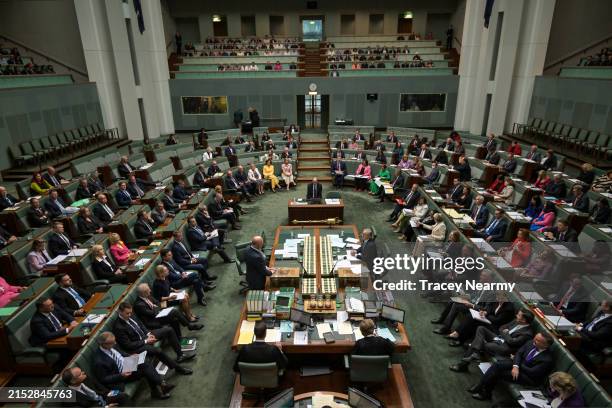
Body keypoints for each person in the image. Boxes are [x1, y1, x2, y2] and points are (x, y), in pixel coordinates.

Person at [469, 333, 554, 401]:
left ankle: (486, 394)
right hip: (520, 365)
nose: (534, 341)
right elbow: (519, 353)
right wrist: (516, 366)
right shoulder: (531, 342)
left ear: (545, 345)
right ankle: (480, 385)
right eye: (535, 338)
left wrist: (517, 365)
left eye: (537, 340)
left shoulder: (547, 359)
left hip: (529, 377)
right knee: (497, 365)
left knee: (499, 373)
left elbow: (532, 372)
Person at [113, 302, 194, 371]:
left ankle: (180, 355)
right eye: (127, 313)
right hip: (138, 346)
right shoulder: (118, 327)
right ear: (120, 312)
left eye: (130, 312)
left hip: (146, 336)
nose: (130, 315)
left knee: (168, 330)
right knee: (158, 351)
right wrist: (146, 341)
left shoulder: (131, 315)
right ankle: (177, 368)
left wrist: (148, 334)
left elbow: (141, 325)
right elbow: (128, 345)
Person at [93, 332, 173, 400]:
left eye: (114, 341)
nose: (115, 343)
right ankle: (161, 386)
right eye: (112, 343)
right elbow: (104, 379)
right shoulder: (99, 361)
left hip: (127, 364)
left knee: (145, 364)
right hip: (121, 376)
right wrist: (121, 375)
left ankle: (160, 388)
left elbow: (121, 354)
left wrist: (130, 356)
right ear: (104, 344)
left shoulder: (111, 345)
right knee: (145, 368)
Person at [450, 309, 534, 372]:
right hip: (499, 338)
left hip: (505, 348)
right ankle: (475, 353)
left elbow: (511, 342)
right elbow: (502, 327)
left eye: (519, 315)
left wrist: (506, 333)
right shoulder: (517, 321)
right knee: (481, 328)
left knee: (482, 344)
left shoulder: (527, 333)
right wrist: (505, 334)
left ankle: (463, 365)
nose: (516, 316)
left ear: (524, 320)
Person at [133, 283, 202, 340]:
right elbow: (153, 313)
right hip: (153, 322)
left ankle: (179, 337)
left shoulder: (147, 296)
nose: (150, 291)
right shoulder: (139, 305)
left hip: (158, 315)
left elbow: (158, 303)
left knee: (174, 319)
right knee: (174, 311)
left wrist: (156, 307)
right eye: (148, 290)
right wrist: (156, 308)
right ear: (144, 293)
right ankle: (189, 326)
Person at [446, 291, 515, 346]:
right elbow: (489, 309)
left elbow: (497, 320)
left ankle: (459, 337)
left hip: (495, 326)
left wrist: (486, 316)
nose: (497, 299)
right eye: (497, 297)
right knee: (471, 317)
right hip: (488, 320)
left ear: (505, 297)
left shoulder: (509, 308)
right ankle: (459, 337)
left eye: (499, 298)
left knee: (473, 321)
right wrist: (485, 312)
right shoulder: (496, 301)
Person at [61, 365, 129, 407]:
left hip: (103, 399)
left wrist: (110, 393)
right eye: (80, 374)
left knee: (122, 396)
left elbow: (100, 388)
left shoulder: (85, 378)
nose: (83, 373)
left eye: (81, 371)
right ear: (73, 381)